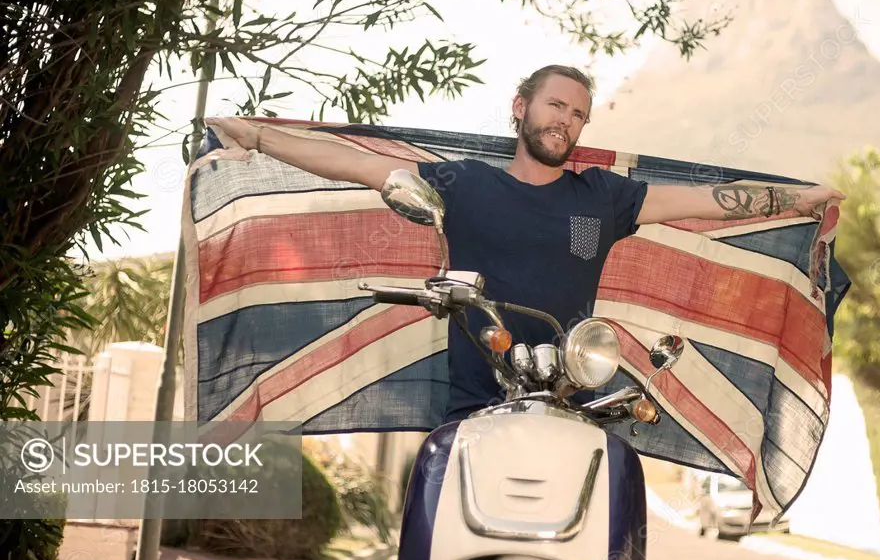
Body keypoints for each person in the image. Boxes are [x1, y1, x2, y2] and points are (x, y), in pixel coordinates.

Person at [206, 64, 845, 422]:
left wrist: (796, 200)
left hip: (574, 405)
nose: (564, 121)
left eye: (577, 115)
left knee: (615, 512)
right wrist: (258, 138)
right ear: (521, 108)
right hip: (474, 409)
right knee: (431, 509)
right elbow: (357, 165)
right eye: (555, 106)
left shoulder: (603, 196)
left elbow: (709, 201)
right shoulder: (466, 185)